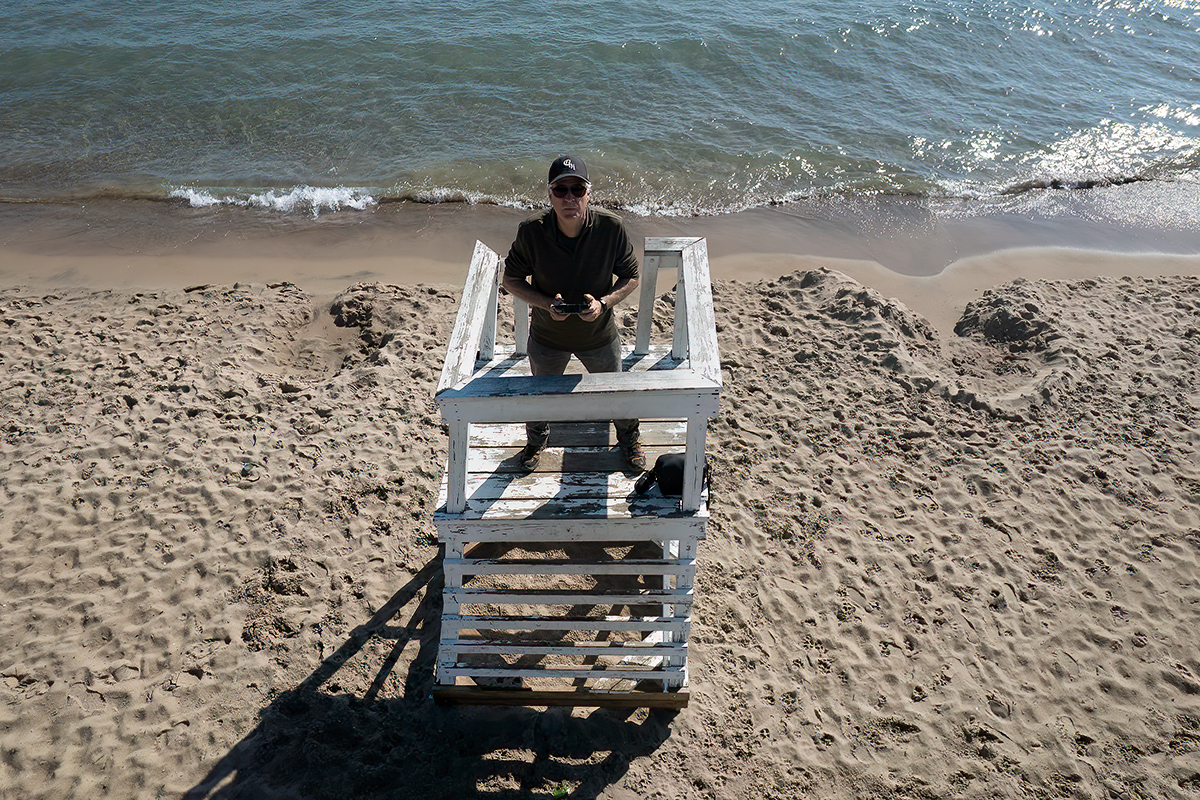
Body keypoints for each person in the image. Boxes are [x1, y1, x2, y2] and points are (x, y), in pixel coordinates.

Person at [501, 155, 645, 472]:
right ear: (549, 194)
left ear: (589, 193)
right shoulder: (531, 231)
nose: (569, 198)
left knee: (616, 391)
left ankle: (629, 437)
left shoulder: (611, 228)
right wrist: (545, 304)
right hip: (547, 336)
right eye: (560, 190)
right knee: (540, 395)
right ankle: (536, 441)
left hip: (599, 334)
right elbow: (510, 279)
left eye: (577, 189)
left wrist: (604, 303)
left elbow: (632, 276)